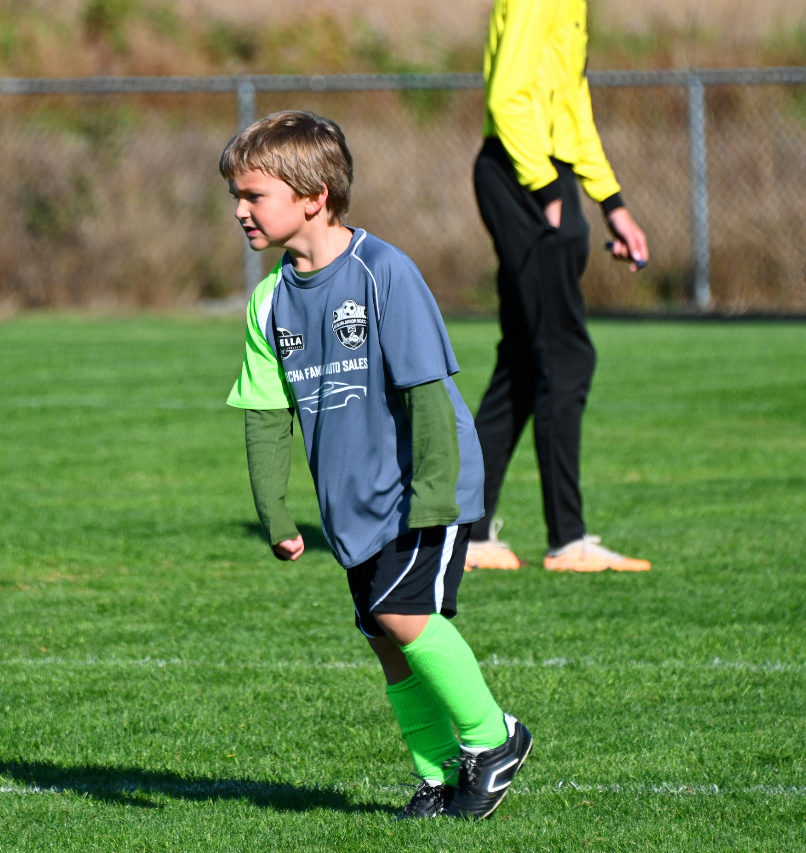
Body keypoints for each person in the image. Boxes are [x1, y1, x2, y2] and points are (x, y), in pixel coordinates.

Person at [222, 110, 531, 820]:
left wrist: (435, 494)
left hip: (419, 488)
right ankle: (438, 775)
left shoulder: (383, 272)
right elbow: (265, 414)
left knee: (400, 611)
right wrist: (275, 513)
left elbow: (427, 390)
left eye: (254, 195)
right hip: (351, 505)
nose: (240, 210)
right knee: (385, 639)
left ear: (313, 195)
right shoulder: (269, 301)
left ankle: (494, 737)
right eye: (236, 197)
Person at [464, 0, 652, 573]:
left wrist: (611, 202)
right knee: (566, 354)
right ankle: (568, 541)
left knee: (524, 361)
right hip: (524, 173)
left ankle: (466, 534)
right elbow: (507, 98)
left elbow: (572, 107)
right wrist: (548, 191)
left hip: (542, 173)